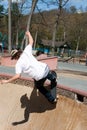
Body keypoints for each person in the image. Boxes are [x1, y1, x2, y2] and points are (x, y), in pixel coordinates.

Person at [0, 31, 57, 104]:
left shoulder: (18, 64)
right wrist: (29, 34)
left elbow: (18, 76)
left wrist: (7, 81)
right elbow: (31, 41)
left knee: (39, 86)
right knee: (50, 76)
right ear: (19, 52)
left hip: (39, 76)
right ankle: (53, 78)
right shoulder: (26, 51)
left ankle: (52, 99)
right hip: (45, 69)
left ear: (14, 58)